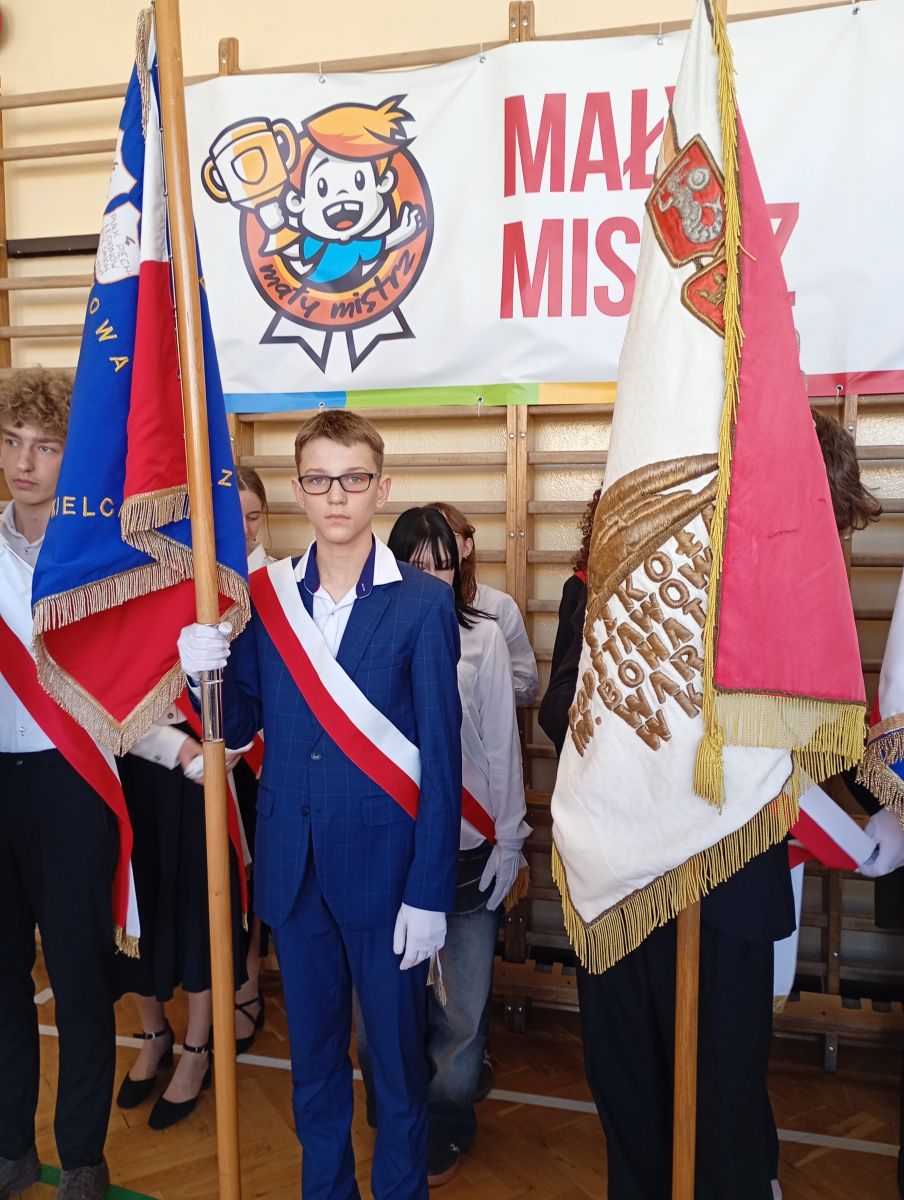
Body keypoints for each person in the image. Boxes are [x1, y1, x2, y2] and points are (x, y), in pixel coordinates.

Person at [177, 410, 462, 1199]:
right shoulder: (263, 597)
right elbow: (236, 727)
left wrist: (430, 893)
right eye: (318, 479)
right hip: (294, 871)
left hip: (389, 880)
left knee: (397, 1073)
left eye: (353, 478)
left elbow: (442, 762)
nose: (336, 495)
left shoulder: (422, 605)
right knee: (313, 1072)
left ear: (382, 488)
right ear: (298, 489)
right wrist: (203, 672)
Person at [538, 481, 794, 1200]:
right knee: (627, 1084)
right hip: (620, 869)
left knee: (724, 1094)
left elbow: (803, 716)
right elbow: (558, 704)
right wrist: (632, 728)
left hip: (727, 874)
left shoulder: (763, 575)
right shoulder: (593, 589)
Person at [366, 506, 530, 1186]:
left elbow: (502, 743)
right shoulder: (365, 632)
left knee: (461, 1004)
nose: (430, 576)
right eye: (416, 563)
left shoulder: (483, 636)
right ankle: (393, 1115)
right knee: (386, 1000)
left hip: (466, 840)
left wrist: (510, 837)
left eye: (442, 564)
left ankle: (448, 1118)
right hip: (388, 846)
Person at [0, 367, 116, 1200]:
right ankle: (10, 1145)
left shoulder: (99, 558)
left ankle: (82, 1155)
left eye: (44, 447)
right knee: (2, 980)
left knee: (78, 979)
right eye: (12, 442)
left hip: (73, 782)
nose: (23, 462)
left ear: (70, 457)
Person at [232, 466, 276, 1054]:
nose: (242, 528)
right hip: (205, 751)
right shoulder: (189, 583)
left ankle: (248, 983)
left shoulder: (278, 583)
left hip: (264, 755)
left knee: (256, 872)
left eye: (252, 515)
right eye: (231, 515)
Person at [430, 501, 538, 707]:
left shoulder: (499, 606)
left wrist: (476, 689)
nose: (437, 545)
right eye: (428, 537)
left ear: (466, 547)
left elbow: (526, 685)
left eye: (447, 535)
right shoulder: (405, 608)